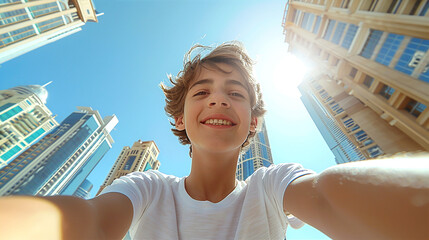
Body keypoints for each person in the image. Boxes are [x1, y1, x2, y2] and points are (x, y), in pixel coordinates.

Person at [0, 42, 428, 240]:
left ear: (253, 122)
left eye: (235, 92)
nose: (219, 97)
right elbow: (88, 222)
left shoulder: (272, 185)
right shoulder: (147, 187)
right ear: (181, 116)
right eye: (202, 91)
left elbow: (330, 197)